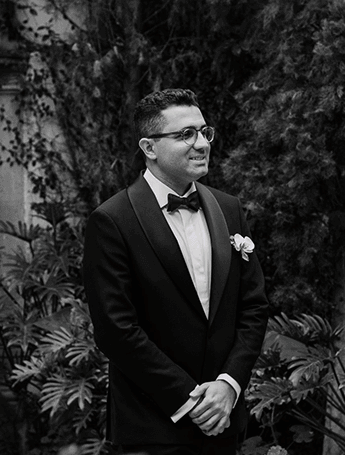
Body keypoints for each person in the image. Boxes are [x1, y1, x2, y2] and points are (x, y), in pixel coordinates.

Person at [82, 89, 268, 454]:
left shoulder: (228, 209)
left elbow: (253, 306)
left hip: (225, 423)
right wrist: (191, 400)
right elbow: (115, 330)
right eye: (186, 135)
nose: (201, 143)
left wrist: (229, 384)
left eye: (204, 132)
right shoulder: (112, 220)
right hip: (151, 428)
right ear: (149, 148)